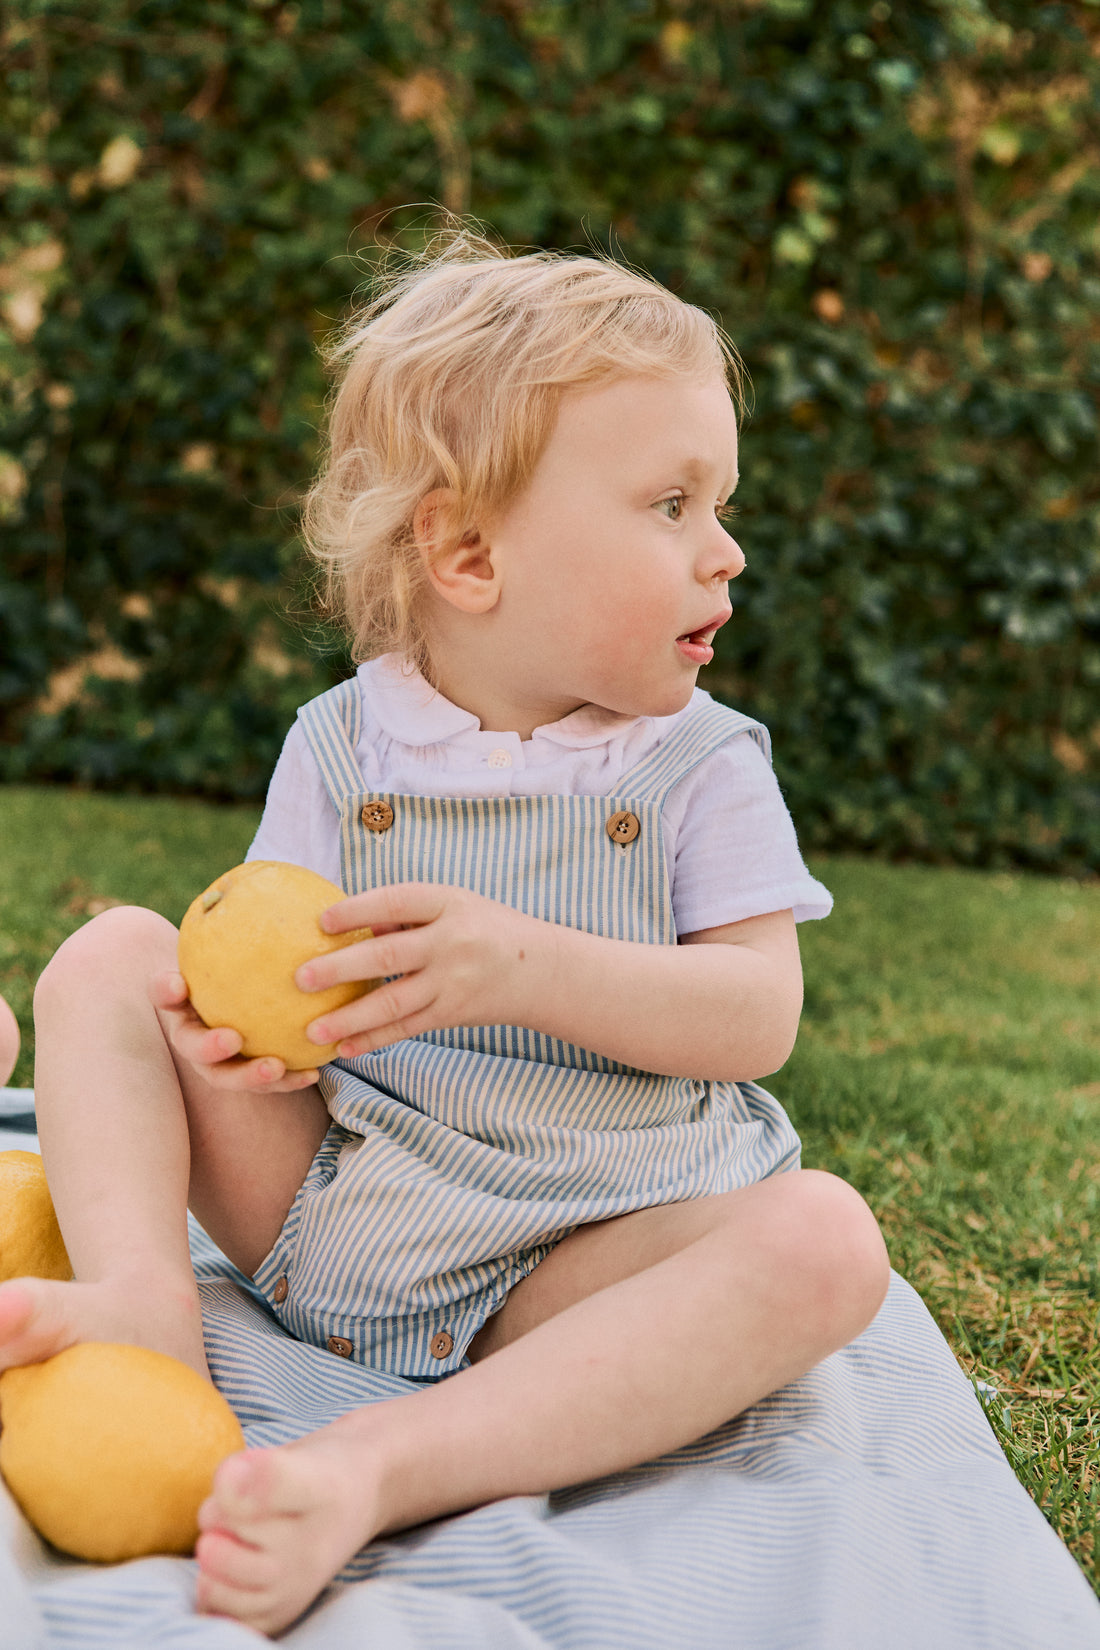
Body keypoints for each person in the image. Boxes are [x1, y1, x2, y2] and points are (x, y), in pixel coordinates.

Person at [0, 237, 890, 1636]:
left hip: (584, 1250)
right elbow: (272, 986)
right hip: (338, 1202)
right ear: (470, 552)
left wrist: (523, 965)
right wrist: (245, 1051)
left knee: (827, 1242)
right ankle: (147, 1307)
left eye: (721, 504)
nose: (727, 550)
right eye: (672, 504)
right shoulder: (343, 744)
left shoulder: (702, 767)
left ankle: (376, 1466)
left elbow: (755, 1015)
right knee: (110, 955)